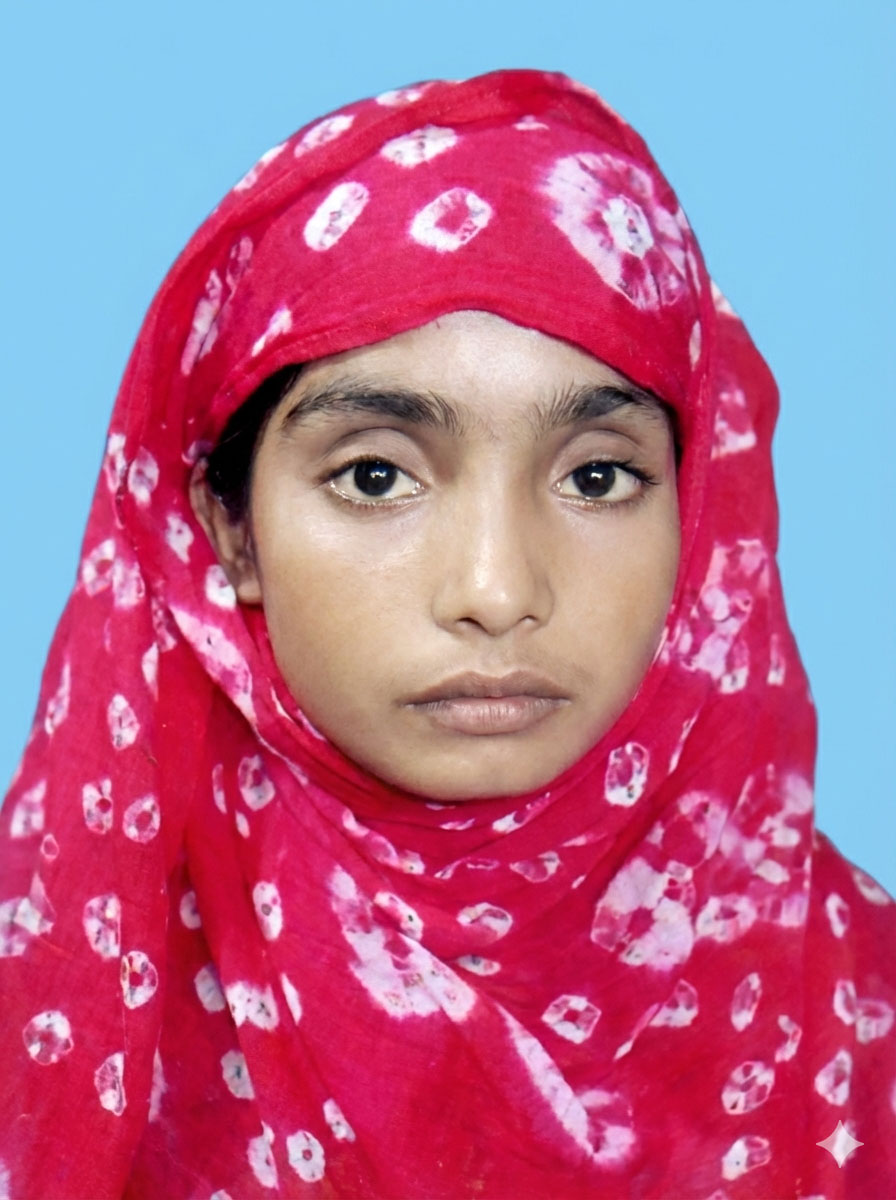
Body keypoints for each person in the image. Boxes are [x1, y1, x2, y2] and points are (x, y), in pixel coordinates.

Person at [0, 68, 893, 1199]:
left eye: (598, 478)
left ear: (699, 518)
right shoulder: (53, 981)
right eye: (376, 475)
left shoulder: (857, 1002)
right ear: (230, 531)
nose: (495, 589)